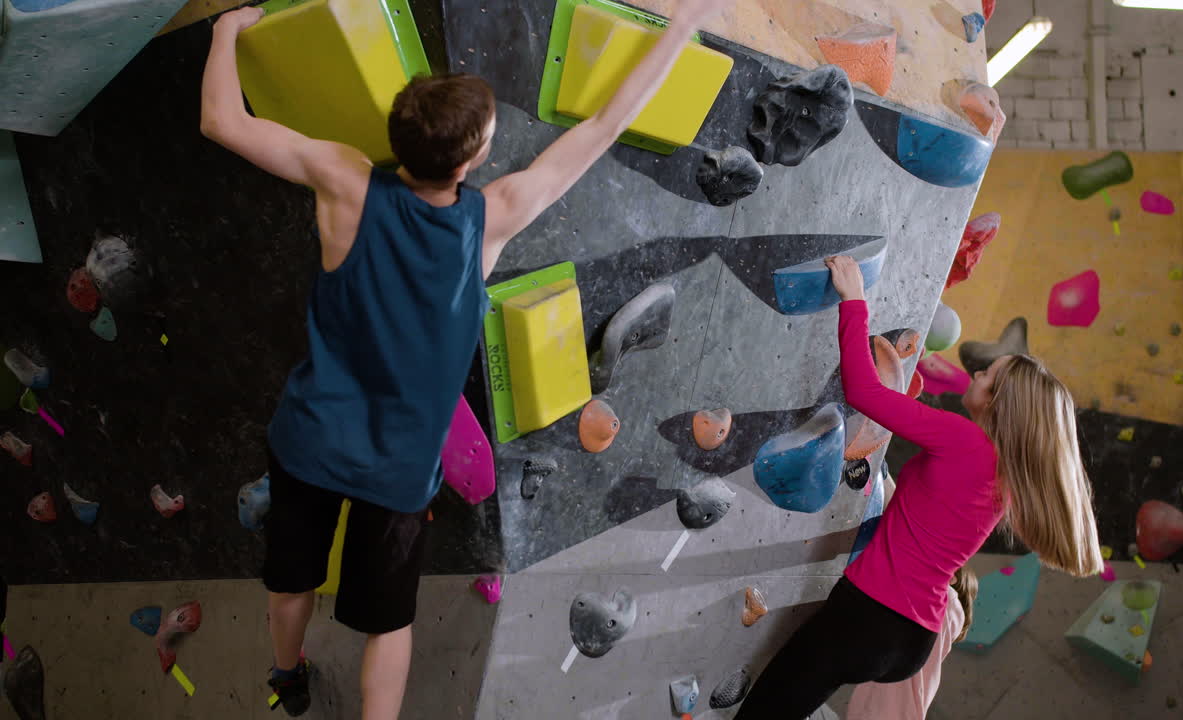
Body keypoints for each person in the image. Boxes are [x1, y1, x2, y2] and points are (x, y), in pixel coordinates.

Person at [199, 1, 730, 717]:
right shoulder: (491, 217)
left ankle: (286, 674)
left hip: (310, 440)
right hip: (399, 471)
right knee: (388, 622)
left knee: (290, 582)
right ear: (474, 157)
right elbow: (603, 126)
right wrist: (683, 24)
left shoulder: (343, 178)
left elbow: (221, 122)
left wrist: (226, 29)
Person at [733, 255, 1103, 719]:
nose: (977, 373)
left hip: (869, 616)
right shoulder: (1007, 477)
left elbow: (865, 393)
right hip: (912, 639)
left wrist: (854, 299)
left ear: (999, 401)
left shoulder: (966, 440)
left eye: (988, 375)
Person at [845, 566, 977, 720]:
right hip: (881, 705)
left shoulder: (948, 605)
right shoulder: (930, 620)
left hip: (891, 708)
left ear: (952, 579)